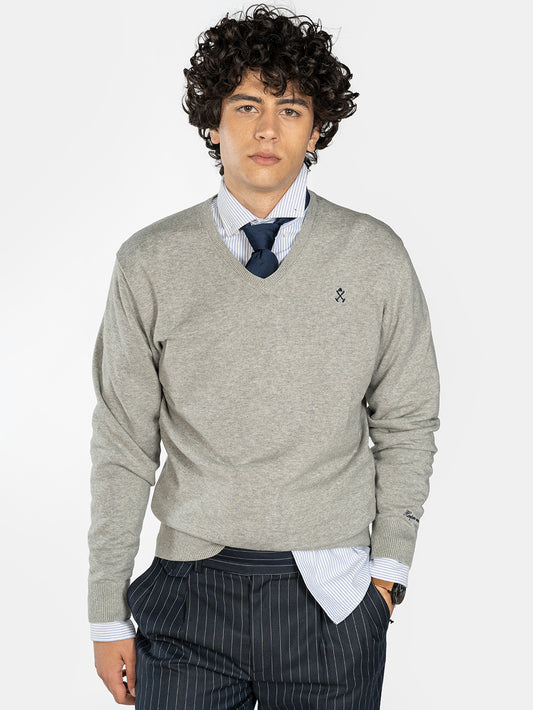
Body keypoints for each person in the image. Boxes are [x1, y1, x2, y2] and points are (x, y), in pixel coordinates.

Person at [88, 5, 440, 708]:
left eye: (291, 109)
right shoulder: (149, 262)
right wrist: (105, 611)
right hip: (187, 590)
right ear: (212, 122)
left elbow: (407, 420)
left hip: (332, 595)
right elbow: (123, 441)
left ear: (317, 129)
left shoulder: (373, 255)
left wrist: (388, 574)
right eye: (246, 105)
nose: (267, 129)